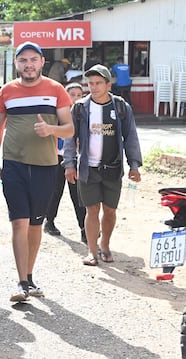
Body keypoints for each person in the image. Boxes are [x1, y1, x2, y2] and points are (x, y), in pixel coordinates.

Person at [0, 41, 73, 302]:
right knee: (19, 222)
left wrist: (51, 130)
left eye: (33, 59)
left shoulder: (55, 90)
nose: (28, 64)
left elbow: (69, 128)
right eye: (23, 60)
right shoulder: (7, 91)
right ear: (16, 63)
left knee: (36, 224)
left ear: (42, 62)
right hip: (13, 165)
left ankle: (30, 275)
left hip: (46, 166)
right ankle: (22, 281)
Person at [63, 64, 142, 266]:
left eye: (99, 83)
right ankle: (92, 251)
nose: (94, 87)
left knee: (109, 211)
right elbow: (70, 138)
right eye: (91, 83)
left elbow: (131, 137)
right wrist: (69, 164)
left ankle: (105, 244)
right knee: (91, 210)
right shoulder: (80, 108)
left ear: (108, 84)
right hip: (88, 169)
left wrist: (134, 165)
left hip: (112, 168)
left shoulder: (121, 107)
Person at [44, 83, 86, 242]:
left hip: (75, 160)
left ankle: (84, 227)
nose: (76, 98)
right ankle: (50, 221)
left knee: (78, 195)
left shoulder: (83, 114)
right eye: (72, 94)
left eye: (79, 95)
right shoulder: (58, 114)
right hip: (57, 158)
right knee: (55, 191)